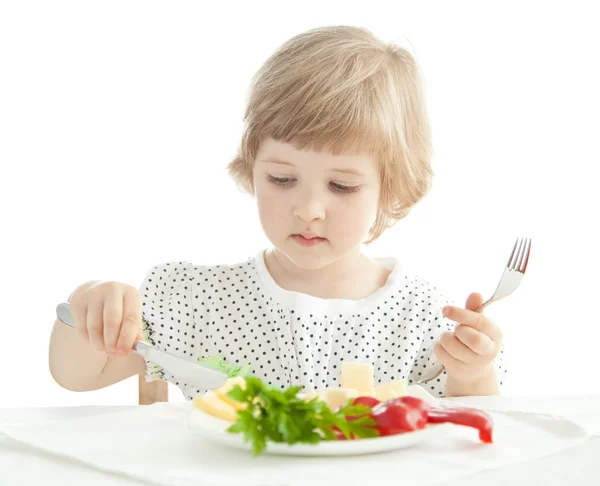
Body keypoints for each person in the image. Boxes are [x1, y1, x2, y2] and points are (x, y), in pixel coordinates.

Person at [49, 25, 506, 401]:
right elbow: (77, 375)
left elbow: (471, 427)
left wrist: (471, 369)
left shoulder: (422, 318)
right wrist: (89, 305)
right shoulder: (198, 301)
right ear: (252, 169)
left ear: (391, 187)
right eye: (282, 180)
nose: (308, 209)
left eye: (341, 186)